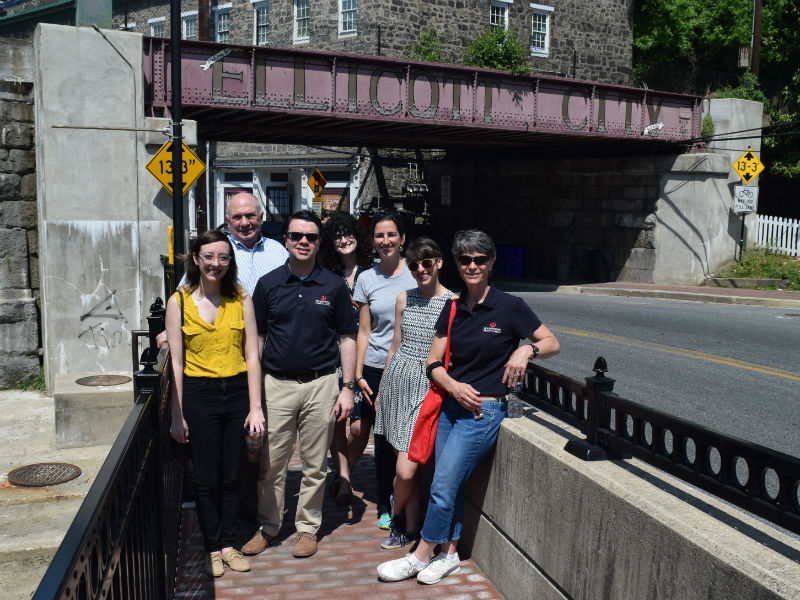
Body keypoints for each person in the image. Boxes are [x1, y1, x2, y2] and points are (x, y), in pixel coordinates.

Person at [376, 229, 560, 585]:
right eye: (465, 260)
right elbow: (433, 363)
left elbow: (551, 342)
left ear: (491, 264)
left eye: (479, 260)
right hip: (450, 406)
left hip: (482, 412)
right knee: (453, 486)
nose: (472, 265)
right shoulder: (453, 306)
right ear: (457, 265)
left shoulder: (510, 306)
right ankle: (449, 555)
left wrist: (525, 350)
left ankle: (419, 555)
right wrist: (454, 387)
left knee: (442, 485)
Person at [243, 210, 357, 559]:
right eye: (296, 236)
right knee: (272, 463)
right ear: (286, 240)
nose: (303, 242)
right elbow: (258, 339)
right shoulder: (269, 284)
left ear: (319, 242)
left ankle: (308, 528)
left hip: (322, 384)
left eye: (310, 237)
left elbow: (348, 337)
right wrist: (256, 392)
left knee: (314, 464)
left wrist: (348, 386)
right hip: (277, 384)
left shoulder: (334, 286)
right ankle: (269, 526)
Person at [164, 229, 265, 578]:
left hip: (236, 393)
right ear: (196, 258)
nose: (216, 264)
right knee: (206, 477)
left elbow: (252, 355)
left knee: (233, 474)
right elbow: (176, 362)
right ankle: (211, 546)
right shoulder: (178, 302)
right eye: (209, 257)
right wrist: (177, 415)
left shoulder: (241, 298)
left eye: (223, 257)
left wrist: (256, 406)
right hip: (199, 395)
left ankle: (227, 544)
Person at [374, 237, 453, 549]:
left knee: (406, 470)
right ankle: (409, 528)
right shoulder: (403, 298)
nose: (421, 269)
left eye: (427, 262)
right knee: (405, 465)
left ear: (439, 262)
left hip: (426, 387)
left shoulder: (453, 303)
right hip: (396, 383)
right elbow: (394, 345)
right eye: (414, 264)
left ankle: (394, 513)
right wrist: (382, 387)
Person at [352, 212, 416, 529]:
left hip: (410, 369)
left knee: (403, 440)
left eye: (391, 235)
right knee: (382, 439)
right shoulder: (366, 278)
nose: (385, 242)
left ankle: (407, 500)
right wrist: (359, 374)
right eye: (379, 236)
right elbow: (365, 331)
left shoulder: (417, 273)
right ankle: (385, 504)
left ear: (402, 239)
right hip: (377, 368)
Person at [317, 212, 375, 506]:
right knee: (338, 422)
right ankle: (343, 479)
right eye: (337, 235)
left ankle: (344, 472)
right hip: (333, 354)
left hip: (366, 355)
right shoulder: (325, 274)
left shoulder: (373, 271)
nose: (343, 239)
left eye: (347, 233)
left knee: (360, 426)